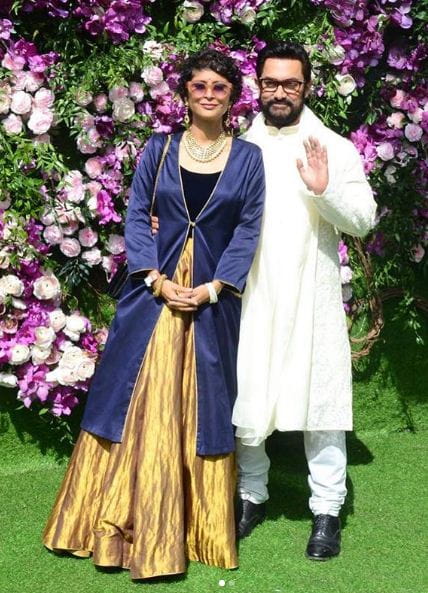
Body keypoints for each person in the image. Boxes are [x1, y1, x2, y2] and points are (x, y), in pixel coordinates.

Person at [43, 48, 265, 579]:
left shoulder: (248, 158)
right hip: (153, 292)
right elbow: (137, 215)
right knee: (134, 396)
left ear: (232, 96)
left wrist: (213, 288)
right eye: (199, 86)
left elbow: (248, 228)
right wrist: (156, 279)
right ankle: (115, 520)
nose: (209, 94)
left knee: (201, 401)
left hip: (211, 300)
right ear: (184, 92)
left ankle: (192, 529)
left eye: (219, 87)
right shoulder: (159, 149)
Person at [232, 41, 377, 560]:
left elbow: (363, 219)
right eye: (271, 82)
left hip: (310, 299)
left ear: (307, 86)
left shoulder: (332, 147)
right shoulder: (239, 146)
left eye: (290, 83)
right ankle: (251, 495)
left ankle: (326, 511)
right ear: (258, 84)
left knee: (320, 406)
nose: (279, 92)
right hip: (252, 295)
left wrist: (324, 190)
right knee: (247, 396)